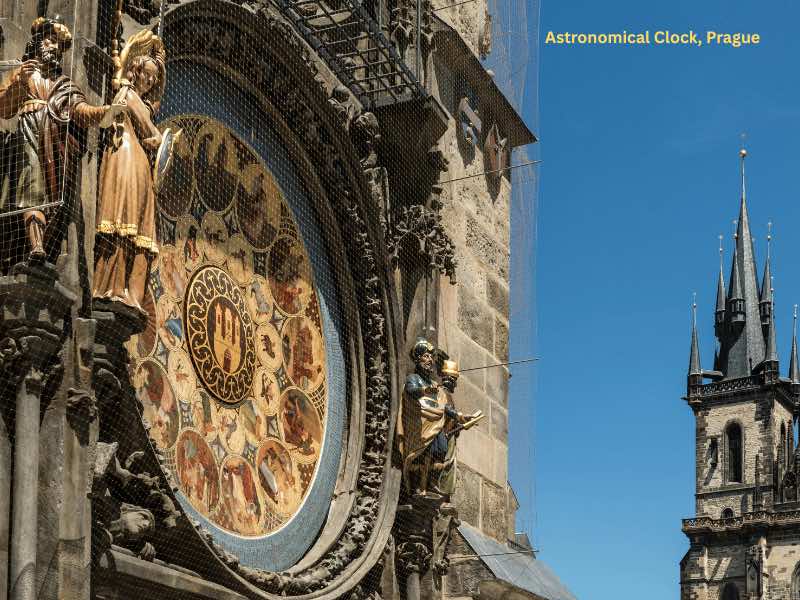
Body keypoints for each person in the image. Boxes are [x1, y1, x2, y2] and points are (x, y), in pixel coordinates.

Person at [0, 16, 124, 263]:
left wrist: (105, 112)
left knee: (48, 196)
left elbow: (81, 110)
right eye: (51, 40)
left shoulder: (64, 84)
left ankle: (41, 246)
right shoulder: (21, 73)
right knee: (31, 188)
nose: (55, 47)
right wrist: (18, 83)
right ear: (37, 41)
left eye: (59, 43)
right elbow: (4, 109)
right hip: (28, 138)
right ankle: (36, 246)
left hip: (53, 144)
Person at [93, 29, 166, 313]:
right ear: (135, 70)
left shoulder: (142, 102)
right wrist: (158, 138)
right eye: (146, 74)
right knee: (123, 217)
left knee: (139, 227)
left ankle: (131, 293)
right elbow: (152, 134)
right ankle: (111, 286)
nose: (148, 81)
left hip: (138, 161)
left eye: (153, 79)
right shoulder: (128, 93)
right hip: (124, 154)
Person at [396, 339, 467, 496]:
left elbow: (444, 406)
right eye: (426, 356)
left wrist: (458, 415)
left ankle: (431, 483)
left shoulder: (434, 383)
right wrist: (426, 390)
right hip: (419, 423)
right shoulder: (414, 378)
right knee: (421, 455)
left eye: (431, 358)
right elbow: (411, 390)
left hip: (435, 423)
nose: (429, 361)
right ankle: (416, 485)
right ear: (418, 359)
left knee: (441, 449)